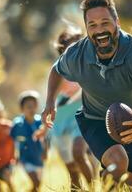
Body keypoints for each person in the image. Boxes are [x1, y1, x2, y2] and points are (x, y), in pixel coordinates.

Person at [42, 0, 132, 186]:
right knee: (118, 162)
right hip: (93, 120)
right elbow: (57, 70)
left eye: (105, 23)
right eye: (92, 25)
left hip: (131, 121)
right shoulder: (76, 54)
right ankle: (107, 181)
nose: (99, 30)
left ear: (116, 22)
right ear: (86, 28)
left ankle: (109, 179)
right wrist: (50, 101)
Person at [51, 29, 96, 188]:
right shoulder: (58, 70)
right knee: (72, 171)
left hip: (81, 118)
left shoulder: (89, 67)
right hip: (61, 122)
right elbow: (51, 101)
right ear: (62, 50)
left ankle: (92, 188)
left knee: (79, 153)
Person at [11, 90, 47, 192]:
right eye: (28, 106)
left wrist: (45, 151)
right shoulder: (18, 124)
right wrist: (14, 155)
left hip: (38, 157)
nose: (31, 109)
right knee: (36, 182)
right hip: (25, 158)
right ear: (22, 109)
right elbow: (13, 140)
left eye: (34, 106)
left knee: (37, 186)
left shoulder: (40, 121)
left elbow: (46, 138)